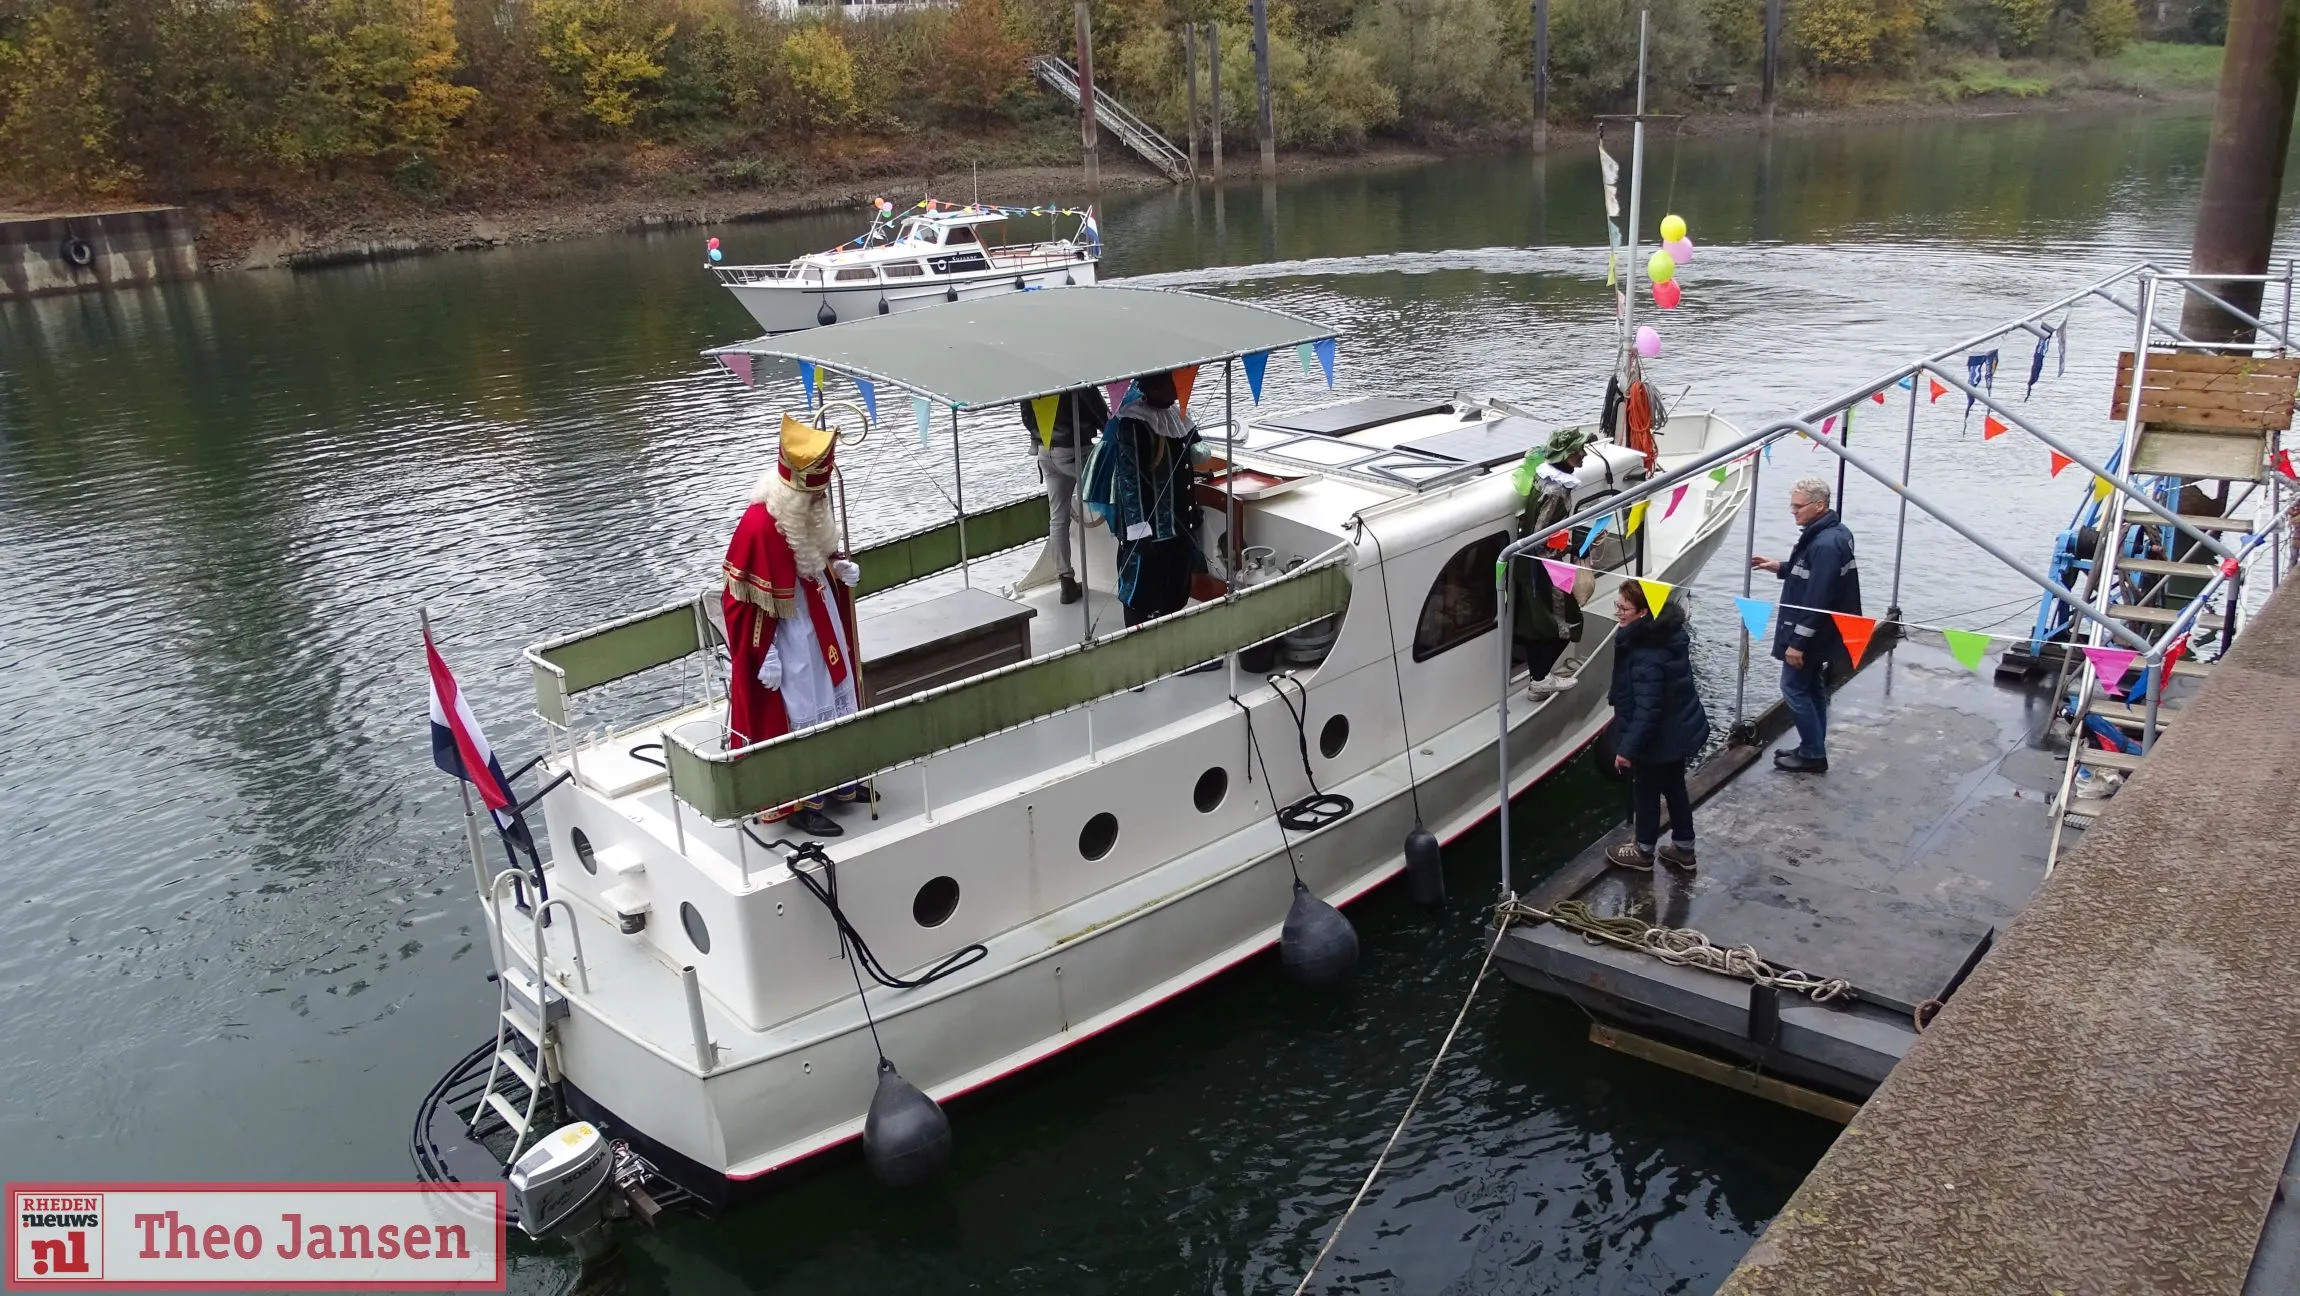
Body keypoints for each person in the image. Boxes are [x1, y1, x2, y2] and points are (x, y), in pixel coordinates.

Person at [721, 414, 867, 837]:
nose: (820, 504)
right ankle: (802, 799)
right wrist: (762, 653)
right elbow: (740, 601)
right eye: (814, 497)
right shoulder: (759, 525)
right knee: (802, 709)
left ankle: (842, 781)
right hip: (786, 638)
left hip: (820, 615)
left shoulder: (807, 508)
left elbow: (815, 552)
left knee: (837, 694)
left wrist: (837, 566)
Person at [1750, 477, 1861, 775]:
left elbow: (1818, 596)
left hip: (1811, 633)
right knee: (1811, 687)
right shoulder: (1834, 534)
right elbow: (1813, 575)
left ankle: (1813, 753)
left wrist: (1798, 643)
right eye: (1792, 505)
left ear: (1819, 505)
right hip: (1824, 632)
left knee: (1793, 688)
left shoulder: (1824, 544)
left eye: (1798, 506)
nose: (1792, 511)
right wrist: (1780, 567)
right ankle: (1813, 745)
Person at [1083, 370, 1205, 626]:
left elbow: (1187, 463)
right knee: (1141, 593)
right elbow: (1131, 481)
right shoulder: (1134, 423)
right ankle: (1138, 643)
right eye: (1170, 384)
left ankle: (1173, 647)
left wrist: (1190, 511)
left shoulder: (1177, 415)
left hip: (1178, 523)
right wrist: (1139, 529)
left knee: (1176, 589)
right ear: (1153, 388)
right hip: (1149, 530)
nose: (1176, 389)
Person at [1604, 584, 1708, 871]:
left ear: (1643, 612)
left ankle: (1643, 851)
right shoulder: (1670, 637)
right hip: (1678, 729)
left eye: (1624, 609)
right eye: (1617, 606)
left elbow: (1647, 710)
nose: (1618, 614)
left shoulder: (1646, 655)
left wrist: (1626, 749)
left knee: (1646, 793)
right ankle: (1684, 848)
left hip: (1657, 737)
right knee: (1675, 787)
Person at [1513, 428, 1598, 695]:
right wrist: (1576, 547)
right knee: (1566, 622)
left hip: (1532, 566)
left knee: (1539, 622)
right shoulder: (1557, 489)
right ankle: (1539, 679)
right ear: (1567, 455)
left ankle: (1540, 677)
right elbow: (1541, 536)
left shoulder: (1541, 476)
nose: (1583, 455)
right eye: (1579, 451)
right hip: (1545, 569)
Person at [1021, 385, 1110, 605]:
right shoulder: (1077, 380)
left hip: (1045, 450)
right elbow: (1101, 415)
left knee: (1057, 519)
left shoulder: (1032, 382)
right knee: (1115, 497)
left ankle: (1066, 581)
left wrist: (1040, 435)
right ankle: (1127, 563)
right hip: (1074, 449)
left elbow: (1026, 416)